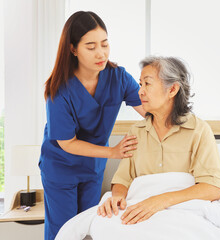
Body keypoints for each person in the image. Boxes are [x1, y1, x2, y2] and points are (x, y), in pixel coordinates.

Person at [39, 11, 146, 240]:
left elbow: (148, 110)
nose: (101, 53)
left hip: (92, 168)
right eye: (91, 46)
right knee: (63, 231)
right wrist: (113, 152)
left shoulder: (118, 78)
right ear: (73, 49)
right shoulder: (58, 89)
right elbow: (67, 142)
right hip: (60, 167)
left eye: (105, 44)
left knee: (88, 227)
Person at [97, 56, 220, 225]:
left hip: (182, 215)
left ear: (172, 89)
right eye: (140, 84)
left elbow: (213, 188)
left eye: (147, 84)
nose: (140, 91)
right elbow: (123, 180)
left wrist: (159, 201)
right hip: (140, 212)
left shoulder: (199, 131)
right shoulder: (137, 132)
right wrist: (118, 197)